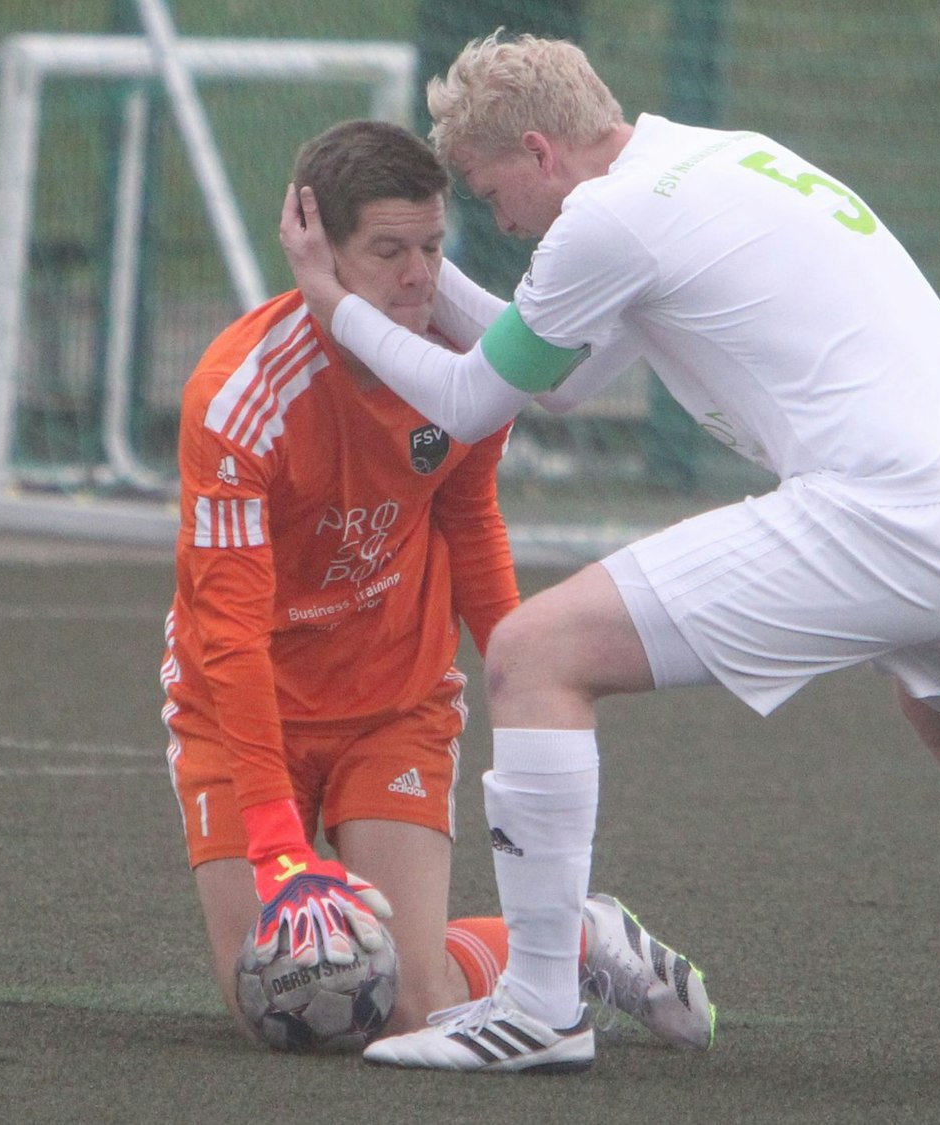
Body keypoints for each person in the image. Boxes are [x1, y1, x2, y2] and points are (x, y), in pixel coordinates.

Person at [277, 33, 940, 1081]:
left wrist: (333, 300)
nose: (495, 218)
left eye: (487, 189)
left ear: (537, 150)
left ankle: (534, 1006)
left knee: (531, 655)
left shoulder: (606, 218)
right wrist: (420, 297)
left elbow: (476, 398)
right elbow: (557, 377)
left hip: (887, 513)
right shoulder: (713, 156)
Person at [159, 118, 714, 1052]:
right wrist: (273, 837)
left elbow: (468, 523)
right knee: (277, 1000)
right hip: (240, 712)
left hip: (394, 707)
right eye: (387, 251)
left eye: (431, 246)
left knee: (405, 1003)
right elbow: (228, 634)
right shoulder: (238, 398)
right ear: (316, 248)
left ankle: (579, 937)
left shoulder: (463, 362)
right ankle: (549, 937)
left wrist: (520, 671)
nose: (419, 276)